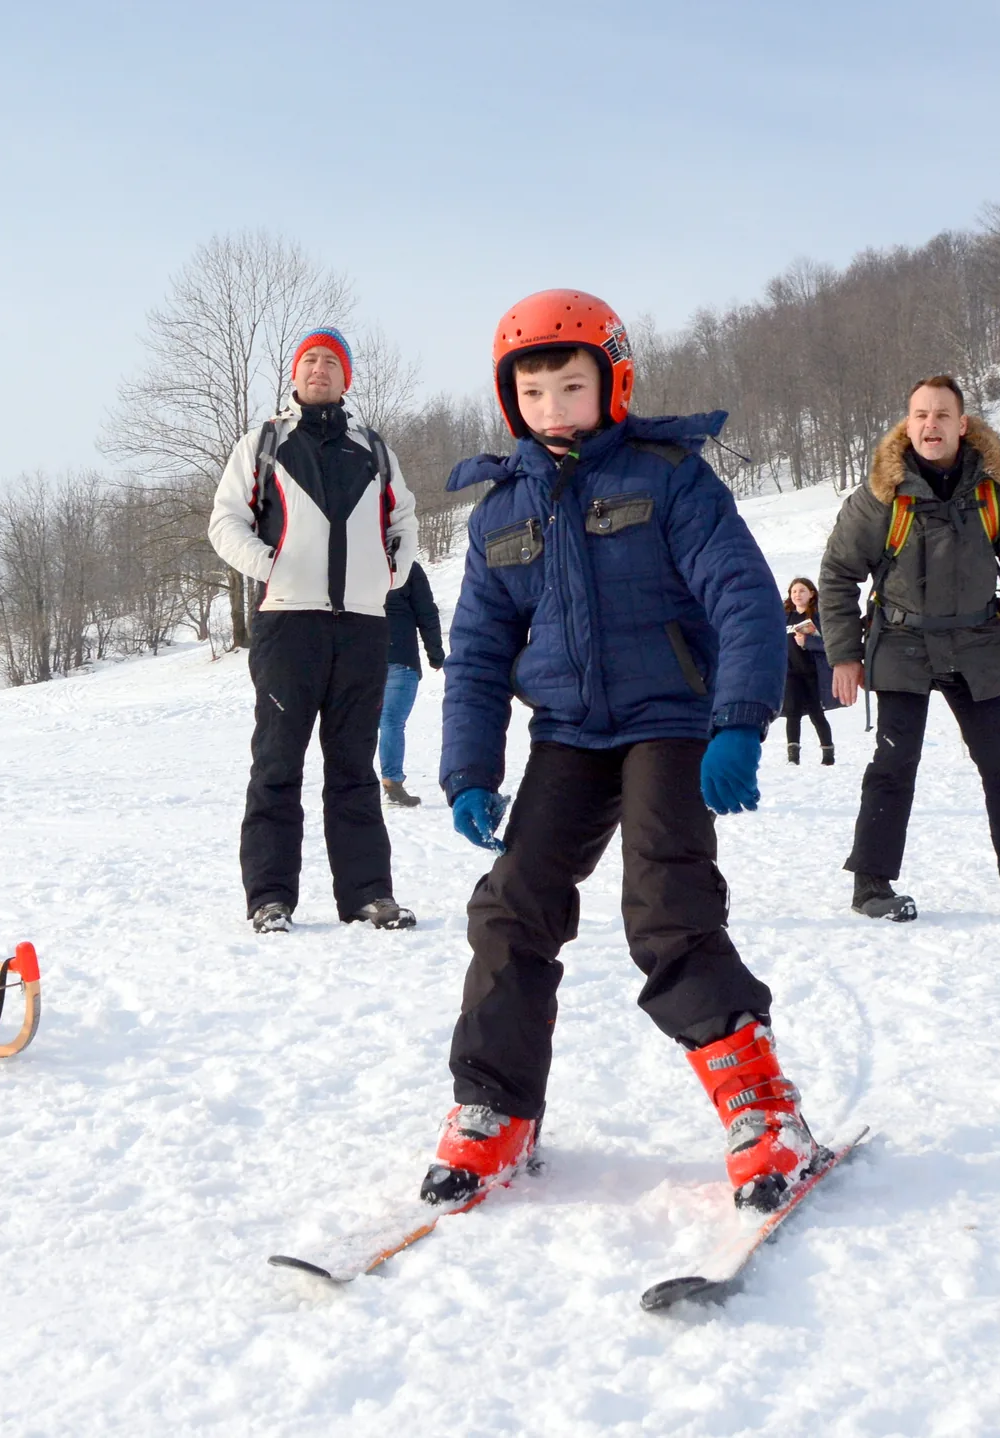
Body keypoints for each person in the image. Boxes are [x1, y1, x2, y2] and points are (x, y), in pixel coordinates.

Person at [428, 289, 820, 1215]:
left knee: (665, 900)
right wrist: (468, 774)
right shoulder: (498, 515)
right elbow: (478, 657)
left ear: (615, 381)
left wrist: (737, 719)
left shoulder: (669, 476)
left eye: (573, 386)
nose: (555, 408)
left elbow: (742, 596)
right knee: (513, 905)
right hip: (567, 733)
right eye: (535, 394)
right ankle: (495, 1106)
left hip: (673, 720)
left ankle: (764, 1110)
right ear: (509, 402)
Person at [818, 375, 1000, 922]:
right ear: (909, 425)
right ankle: (871, 886)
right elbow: (837, 576)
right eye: (921, 415)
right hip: (901, 644)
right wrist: (844, 655)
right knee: (894, 763)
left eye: (942, 415)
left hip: (975, 645)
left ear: (962, 425)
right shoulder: (882, 495)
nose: (931, 425)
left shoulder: (995, 494)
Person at [208, 325, 418, 934]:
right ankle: (270, 898)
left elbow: (403, 519)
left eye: (330, 361)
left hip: (362, 626)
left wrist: (391, 573)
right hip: (287, 626)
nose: (319, 369)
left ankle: (368, 896)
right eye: (309, 361)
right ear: (294, 376)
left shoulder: (373, 449)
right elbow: (225, 521)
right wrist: (268, 565)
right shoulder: (265, 442)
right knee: (277, 764)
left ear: (345, 377)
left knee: (353, 766)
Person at [380, 559, 446, 806]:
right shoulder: (408, 567)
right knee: (391, 722)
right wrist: (436, 654)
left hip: (361, 657)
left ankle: (354, 783)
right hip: (400, 656)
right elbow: (426, 612)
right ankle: (392, 783)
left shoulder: (357, 558)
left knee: (360, 723)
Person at [781, 577, 838, 764]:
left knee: (816, 713)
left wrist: (808, 642)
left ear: (811, 593)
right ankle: (792, 756)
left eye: (802, 591)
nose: (797, 595)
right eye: (794, 591)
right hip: (790, 672)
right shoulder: (785, 615)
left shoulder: (818, 615)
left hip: (813, 672)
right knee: (792, 712)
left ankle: (828, 754)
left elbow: (830, 644)